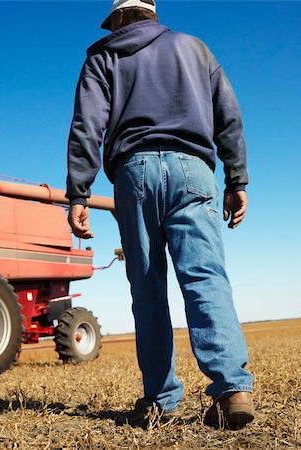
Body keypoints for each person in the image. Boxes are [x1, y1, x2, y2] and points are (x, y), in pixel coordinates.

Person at [65, 0, 254, 427]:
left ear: (117, 20)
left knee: (147, 289)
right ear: (152, 14)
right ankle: (233, 388)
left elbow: (87, 125)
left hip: (135, 174)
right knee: (205, 278)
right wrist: (236, 181)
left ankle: (162, 400)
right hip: (194, 170)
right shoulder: (194, 48)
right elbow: (229, 118)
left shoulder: (103, 57)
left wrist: (79, 193)